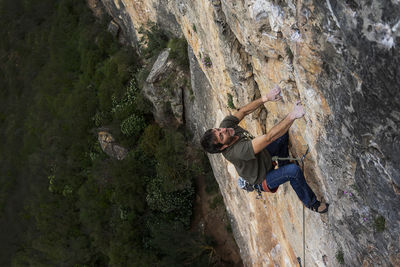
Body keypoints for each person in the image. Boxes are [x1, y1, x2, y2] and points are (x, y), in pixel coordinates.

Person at [200, 86, 328, 213]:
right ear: (223, 147)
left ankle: (284, 164)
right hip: (262, 177)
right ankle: (311, 203)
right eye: (221, 136)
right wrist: (292, 115)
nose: (223, 130)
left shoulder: (226, 127)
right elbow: (268, 138)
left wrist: (266, 98)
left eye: (218, 130)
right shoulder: (237, 152)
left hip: (262, 157)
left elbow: (243, 111)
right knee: (294, 171)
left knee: (282, 136)